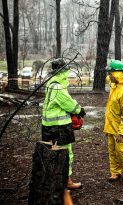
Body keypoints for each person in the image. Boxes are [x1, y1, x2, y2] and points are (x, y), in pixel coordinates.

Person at [41, 58, 86, 190]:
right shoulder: (58, 87)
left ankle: (54, 180)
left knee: (53, 153)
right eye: (66, 70)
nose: (68, 72)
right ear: (62, 71)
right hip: (59, 127)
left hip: (49, 126)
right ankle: (66, 181)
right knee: (65, 153)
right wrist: (79, 111)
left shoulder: (50, 84)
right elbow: (68, 103)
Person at [103, 60, 123, 182]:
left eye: (111, 73)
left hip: (119, 128)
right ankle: (115, 172)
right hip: (111, 126)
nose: (109, 76)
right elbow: (108, 78)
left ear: (118, 73)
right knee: (112, 151)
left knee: (122, 151)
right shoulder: (114, 85)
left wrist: (122, 132)